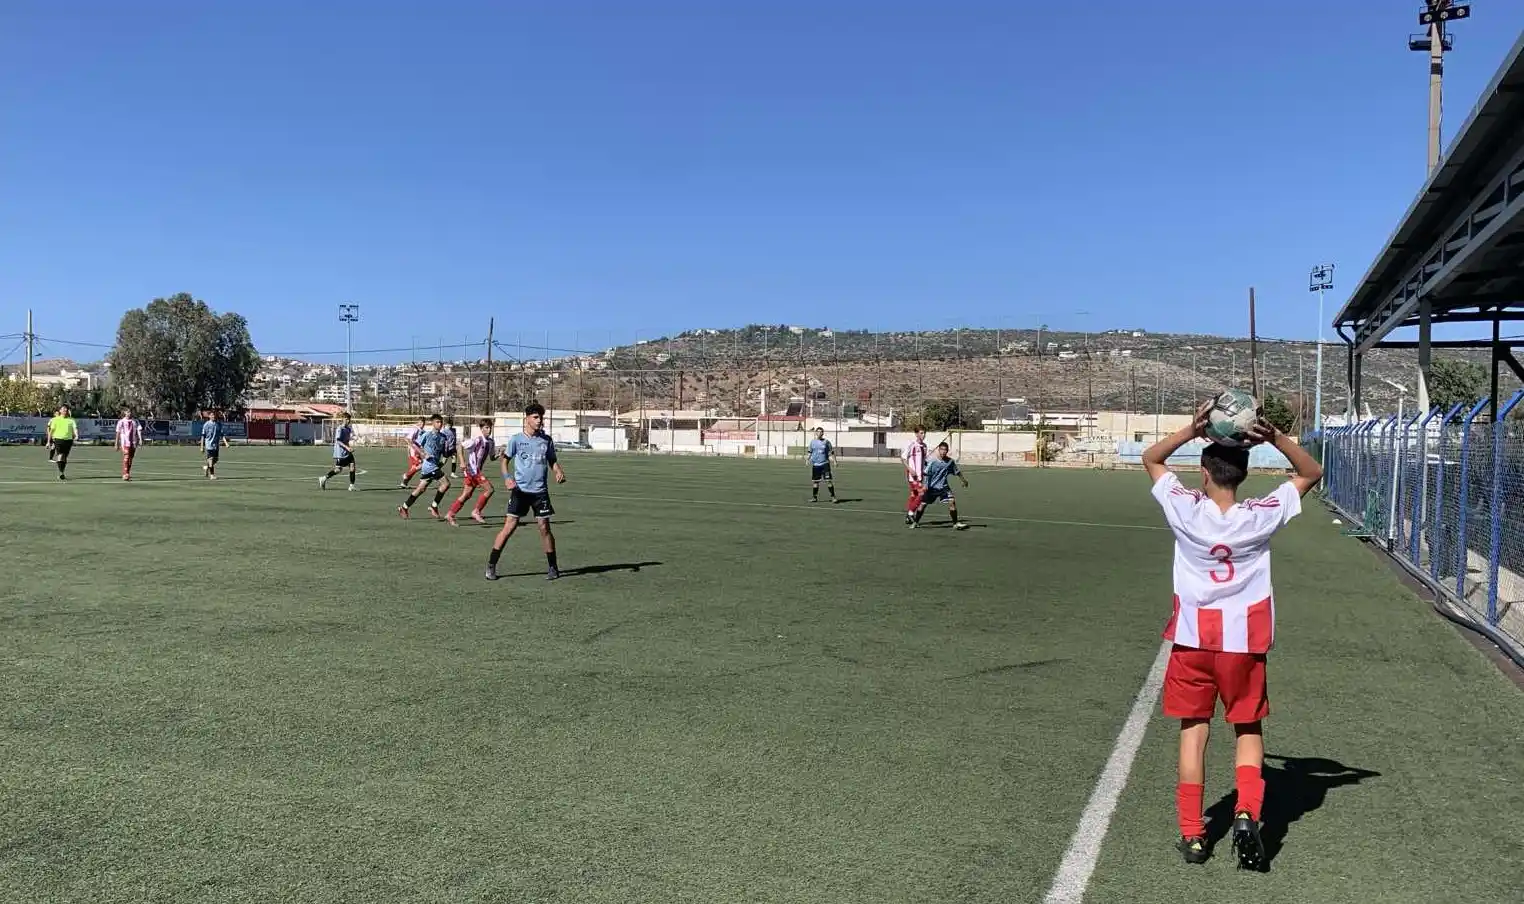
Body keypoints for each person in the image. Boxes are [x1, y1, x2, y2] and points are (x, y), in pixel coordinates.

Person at [1141, 404, 1322, 870]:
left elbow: (1152, 458)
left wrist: (1192, 429)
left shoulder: (1185, 508)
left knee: (1193, 732)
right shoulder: (1259, 515)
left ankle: (1193, 834)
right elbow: (1311, 472)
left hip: (1192, 641)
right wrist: (1274, 437)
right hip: (1244, 642)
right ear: (1244, 473)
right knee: (1247, 728)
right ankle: (1246, 812)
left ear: (1204, 473)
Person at [485, 402, 566, 581]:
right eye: (535, 417)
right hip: (520, 491)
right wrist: (507, 477)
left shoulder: (546, 440)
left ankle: (553, 567)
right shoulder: (516, 440)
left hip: (540, 492)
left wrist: (558, 470)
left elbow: (552, 460)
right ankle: (491, 564)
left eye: (541, 418)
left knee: (544, 527)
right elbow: (504, 461)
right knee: (509, 527)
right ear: (527, 419)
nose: (539, 421)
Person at [397, 414, 451, 519]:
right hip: (429, 466)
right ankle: (434, 506)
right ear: (432, 423)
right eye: (437, 422)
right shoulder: (427, 435)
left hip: (434, 466)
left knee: (420, 489)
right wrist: (423, 454)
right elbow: (415, 444)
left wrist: (443, 460)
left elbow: (444, 453)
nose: (440, 424)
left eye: (441, 422)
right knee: (446, 484)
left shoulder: (443, 437)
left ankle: (404, 507)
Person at [446, 419, 496, 526]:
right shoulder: (477, 440)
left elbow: (492, 457)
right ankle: (476, 511)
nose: (489, 430)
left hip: (476, 471)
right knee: (489, 489)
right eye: (486, 427)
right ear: (481, 429)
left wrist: (499, 455)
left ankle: (450, 514)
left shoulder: (491, 442)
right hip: (473, 471)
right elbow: (459, 446)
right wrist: (462, 462)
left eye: (490, 427)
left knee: (466, 495)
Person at [909, 441, 968, 529]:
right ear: (938, 450)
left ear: (947, 451)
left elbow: (957, 472)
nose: (943, 451)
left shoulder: (950, 462)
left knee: (952, 502)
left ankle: (955, 524)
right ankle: (915, 522)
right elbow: (925, 473)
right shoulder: (932, 461)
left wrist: (964, 480)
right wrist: (925, 484)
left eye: (945, 450)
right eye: (942, 449)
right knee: (923, 505)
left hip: (943, 488)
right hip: (931, 488)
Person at [320, 412, 358, 490]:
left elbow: (346, 440)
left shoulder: (348, 429)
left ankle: (351, 486)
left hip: (347, 452)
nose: (348, 421)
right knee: (338, 470)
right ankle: (324, 478)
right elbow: (338, 441)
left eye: (349, 419)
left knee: (352, 466)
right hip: (340, 453)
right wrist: (347, 448)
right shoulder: (340, 429)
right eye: (346, 419)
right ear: (343, 419)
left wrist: (350, 445)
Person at [901, 428, 928, 525]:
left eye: (924, 433)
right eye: (921, 433)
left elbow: (923, 461)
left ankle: (908, 517)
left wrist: (925, 467)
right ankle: (910, 513)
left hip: (920, 475)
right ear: (916, 434)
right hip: (913, 476)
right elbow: (903, 458)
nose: (923, 435)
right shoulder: (911, 445)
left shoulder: (924, 446)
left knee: (914, 494)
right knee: (922, 493)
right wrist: (910, 470)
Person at [45, 405, 79, 480]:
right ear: (60, 411)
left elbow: (75, 428)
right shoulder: (55, 420)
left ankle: (62, 471)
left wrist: (76, 435)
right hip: (58, 440)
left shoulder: (71, 420)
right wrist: (48, 442)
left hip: (68, 440)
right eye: (63, 410)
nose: (65, 411)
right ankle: (61, 473)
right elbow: (51, 431)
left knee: (64, 457)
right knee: (60, 455)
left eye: (66, 410)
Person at [807, 427, 838, 503]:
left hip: (825, 464)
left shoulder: (826, 442)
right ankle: (814, 498)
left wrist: (835, 461)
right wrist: (807, 459)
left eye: (821, 432)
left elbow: (831, 452)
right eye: (818, 432)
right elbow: (810, 452)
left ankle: (833, 497)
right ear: (816, 433)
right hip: (816, 465)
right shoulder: (812, 442)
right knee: (815, 482)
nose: (819, 433)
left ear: (823, 433)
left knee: (828, 481)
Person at [115, 406, 143, 481]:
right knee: (126, 457)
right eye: (128, 412)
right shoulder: (121, 422)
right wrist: (116, 443)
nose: (129, 413)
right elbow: (118, 432)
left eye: (130, 412)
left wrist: (140, 439)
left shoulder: (135, 421)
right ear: (125, 413)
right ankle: (125, 474)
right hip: (124, 442)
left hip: (133, 442)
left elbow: (139, 430)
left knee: (130, 459)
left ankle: (127, 473)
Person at [399, 416, 426, 487]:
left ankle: (404, 483)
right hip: (414, 452)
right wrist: (412, 447)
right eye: (420, 422)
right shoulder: (415, 429)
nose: (422, 424)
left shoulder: (422, 431)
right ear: (418, 422)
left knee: (414, 468)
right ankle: (406, 475)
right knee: (422, 465)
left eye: (423, 422)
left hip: (418, 451)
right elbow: (407, 439)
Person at [201, 411, 229, 479]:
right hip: (209, 444)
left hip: (216, 445)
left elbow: (222, 434)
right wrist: (202, 447)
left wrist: (226, 443)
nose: (213, 416)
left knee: (216, 459)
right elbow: (203, 436)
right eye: (212, 415)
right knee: (210, 459)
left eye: (214, 415)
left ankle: (207, 467)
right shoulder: (206, 424)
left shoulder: (218, 424)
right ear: (209, 416)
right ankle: (212, 475)